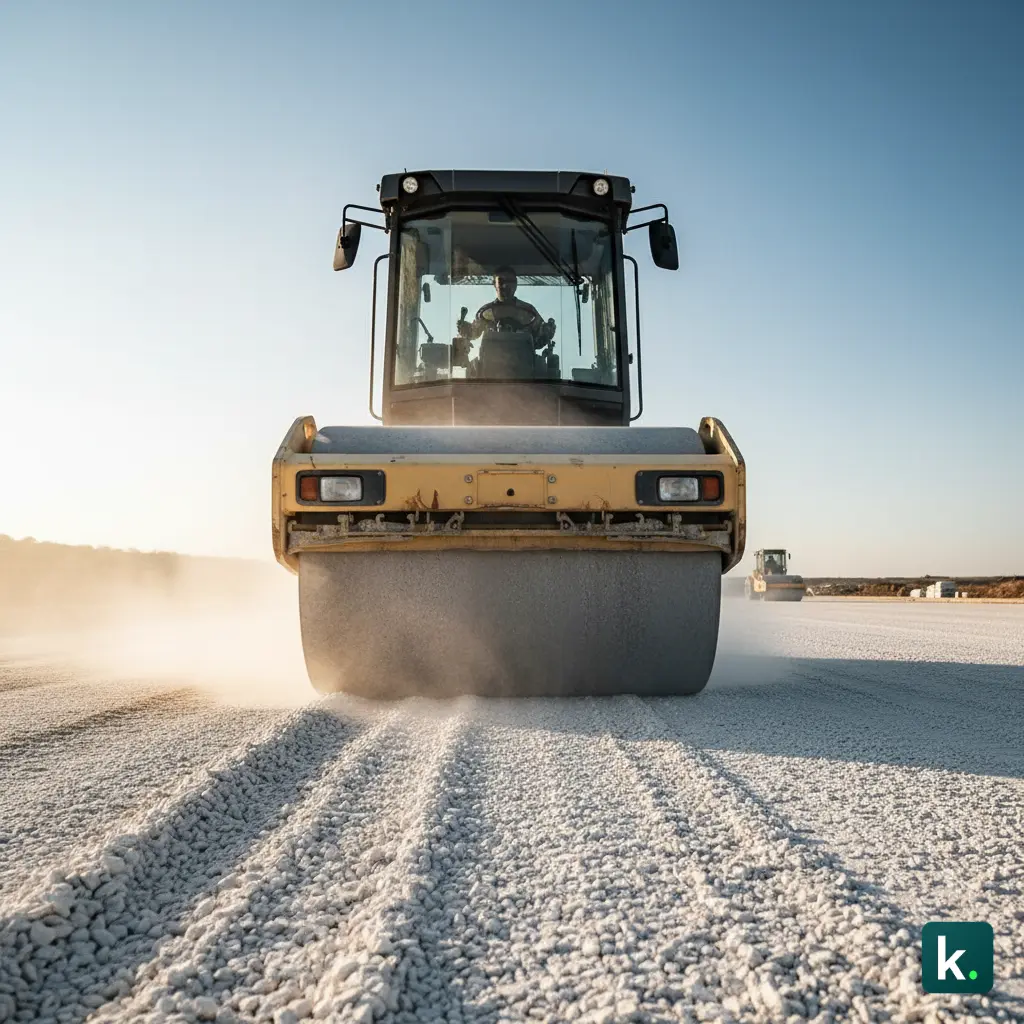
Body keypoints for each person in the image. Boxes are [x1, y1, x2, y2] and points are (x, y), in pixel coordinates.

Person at [457, 266, 556, 348]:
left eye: (510, 281)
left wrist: (547, 332)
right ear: (494, 284)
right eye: (501, 281)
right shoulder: (485, 312)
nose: (505, 286)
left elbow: (538, 340)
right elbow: (474, 332)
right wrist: (465, 329)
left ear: (516, 284)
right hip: (489, 365)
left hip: (524, 365)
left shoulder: (529, 311)